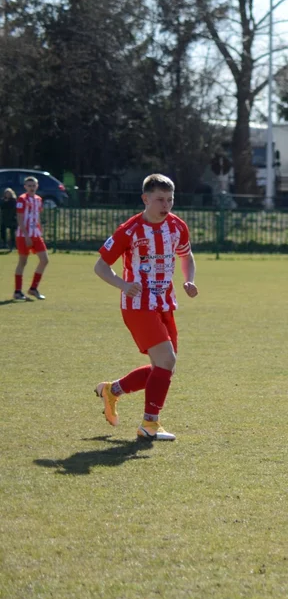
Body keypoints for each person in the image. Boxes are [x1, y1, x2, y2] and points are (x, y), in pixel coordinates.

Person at [92, 174, 199, 441]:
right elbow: (100, 267)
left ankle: (112, 390)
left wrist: (189, 280)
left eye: (170, 199)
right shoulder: (128, 230)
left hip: (164, 303)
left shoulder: (177, 226)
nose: (166, 205)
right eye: (160, 199)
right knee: (167, 361)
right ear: (145, 199)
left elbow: (187, 255)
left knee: (164, 368)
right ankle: (149, 425)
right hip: (138, 305)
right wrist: (123, 284)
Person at [13, 176, 48, 300]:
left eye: (33, 185)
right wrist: (26, 235)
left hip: (36, 234)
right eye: (29, 185)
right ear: (25, 187)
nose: (31, 188)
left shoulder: (38, 199)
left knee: (44, 260)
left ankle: (33, 288)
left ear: (37, 186)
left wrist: (40, 229)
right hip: (24, 235)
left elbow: (37, 215)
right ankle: (17, 291)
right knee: (23, 262)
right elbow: (20, 218)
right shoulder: (22, 199)